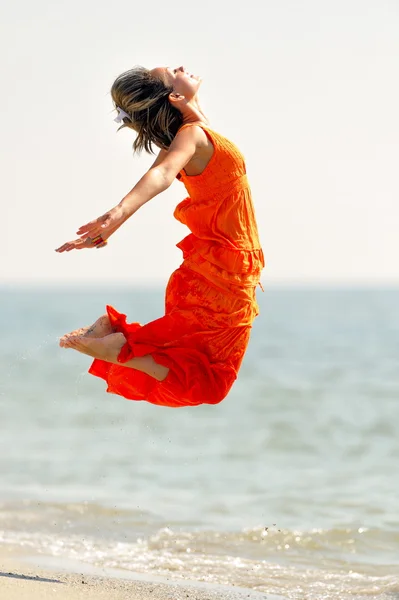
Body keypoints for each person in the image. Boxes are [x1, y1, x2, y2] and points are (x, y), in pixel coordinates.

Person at [56, 65, 264, 408]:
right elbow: (162, 174)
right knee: (210, 382)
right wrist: (118, 214)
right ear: (172, 95)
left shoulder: (191, 132)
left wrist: (188, 101)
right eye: (171, 71)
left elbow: (175, 155)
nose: (181, 67)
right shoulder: (190, 136)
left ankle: (119, 341)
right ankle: (121, 349)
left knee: (200, 365)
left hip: (215, 264)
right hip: (225, 266)